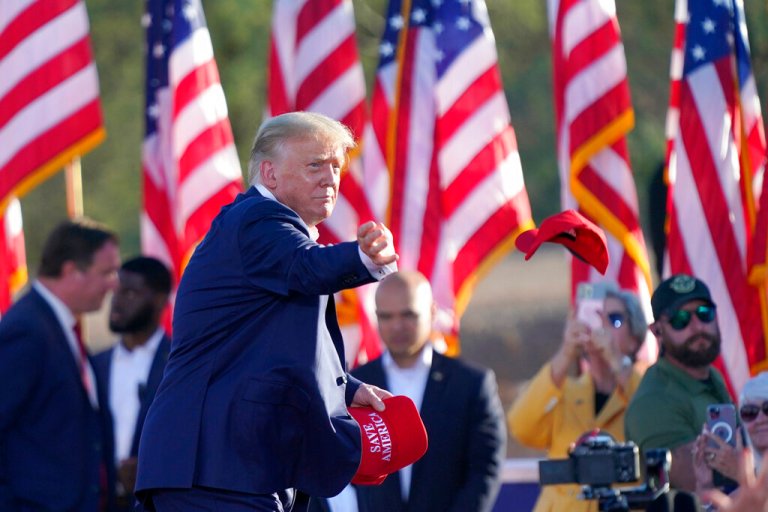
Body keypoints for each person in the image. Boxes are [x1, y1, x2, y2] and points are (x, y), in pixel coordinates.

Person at [135, 111, 398, 512]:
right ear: (270, 174)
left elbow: (270, 348)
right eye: (315, 165)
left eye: (335, 166)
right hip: (213, 468)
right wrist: (363, 256)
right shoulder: (257, 220)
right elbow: (308, 268)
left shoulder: (269, 233)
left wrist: (347, 388)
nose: (331, 179)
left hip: (231, 469)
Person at [350, 270, 506, 512]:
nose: (397, 325)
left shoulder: (472, 384)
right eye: (387, 316)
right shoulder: (355, 385)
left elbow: (485, 469)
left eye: (408, 314)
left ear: (432, 312)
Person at [0, 218, 120, 511]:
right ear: (70, 271)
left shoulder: (62, 328)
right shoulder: (26, 331)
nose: (114, 283)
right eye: (106, 272)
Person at [508, 283, 648, 512]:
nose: (601, 327)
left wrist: (615, 360)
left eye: (614, 320)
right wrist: (565, 353)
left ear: (635, 339)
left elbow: (652, 421)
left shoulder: (644, 388)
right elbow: (521, 426)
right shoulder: (563, 391)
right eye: (593, 317)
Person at [625, 274, 731, 493]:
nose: (697, 327)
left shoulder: (712, 377)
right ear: (657, 332)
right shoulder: (653, 402)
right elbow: (701, 484)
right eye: (680, 319)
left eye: (705, 314)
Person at [93, 256, 173, 511]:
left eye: (130, 293)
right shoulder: (93, 365)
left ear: (159, 299)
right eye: (116, 290)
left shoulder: (179, 365)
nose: (116, 301)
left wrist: (153, 469)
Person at [692, 372, 768, 499]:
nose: (760, 419)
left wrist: (740, 474)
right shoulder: (734, 492)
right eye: (749, 412)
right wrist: (705, 485)